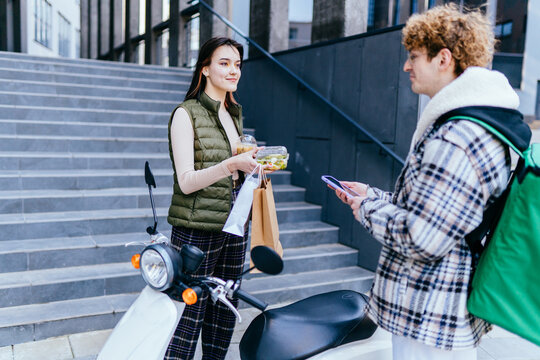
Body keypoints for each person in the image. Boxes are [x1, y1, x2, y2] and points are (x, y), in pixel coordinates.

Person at [333, 4, 530, 360]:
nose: (407, 66)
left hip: (428, 315)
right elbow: (438, 210)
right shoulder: (481, 122)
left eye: (414, 57)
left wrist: (366, 208)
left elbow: (422, 236)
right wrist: (374, 195)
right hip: (442, 310)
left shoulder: (456, 136)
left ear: (444, 58)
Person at [164, 37, 259, 360]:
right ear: (204, 69)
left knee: (223, 313)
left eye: (237, 65)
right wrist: (231, 164)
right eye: (224, 63)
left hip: (234, 223)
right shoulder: (185, 114)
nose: (233, 70)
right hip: (196, 228)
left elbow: (233, 174)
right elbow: (187, 182)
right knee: (187, 316)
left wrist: (253, 170)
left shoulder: (232, 115)